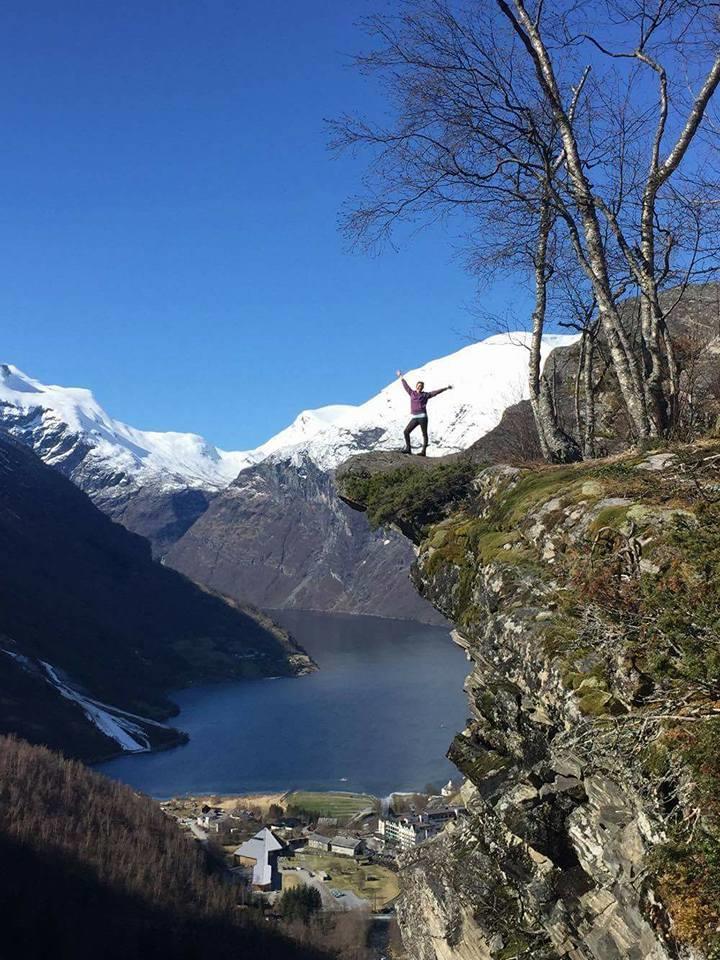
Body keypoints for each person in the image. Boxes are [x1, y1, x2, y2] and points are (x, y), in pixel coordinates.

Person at [396, 370, 453, 456]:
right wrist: (400, 376)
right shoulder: (412, 393)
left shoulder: (425, 395)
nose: (419, 387)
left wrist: (445, 388)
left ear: (422, 387)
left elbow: (435, 392)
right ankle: (408, 449)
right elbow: (405, 385)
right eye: (418, 386)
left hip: (423, 417)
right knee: (406, 432)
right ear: (416, 386)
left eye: (421, 386)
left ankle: (423, 452)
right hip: (415, 417)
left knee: (424, 434)